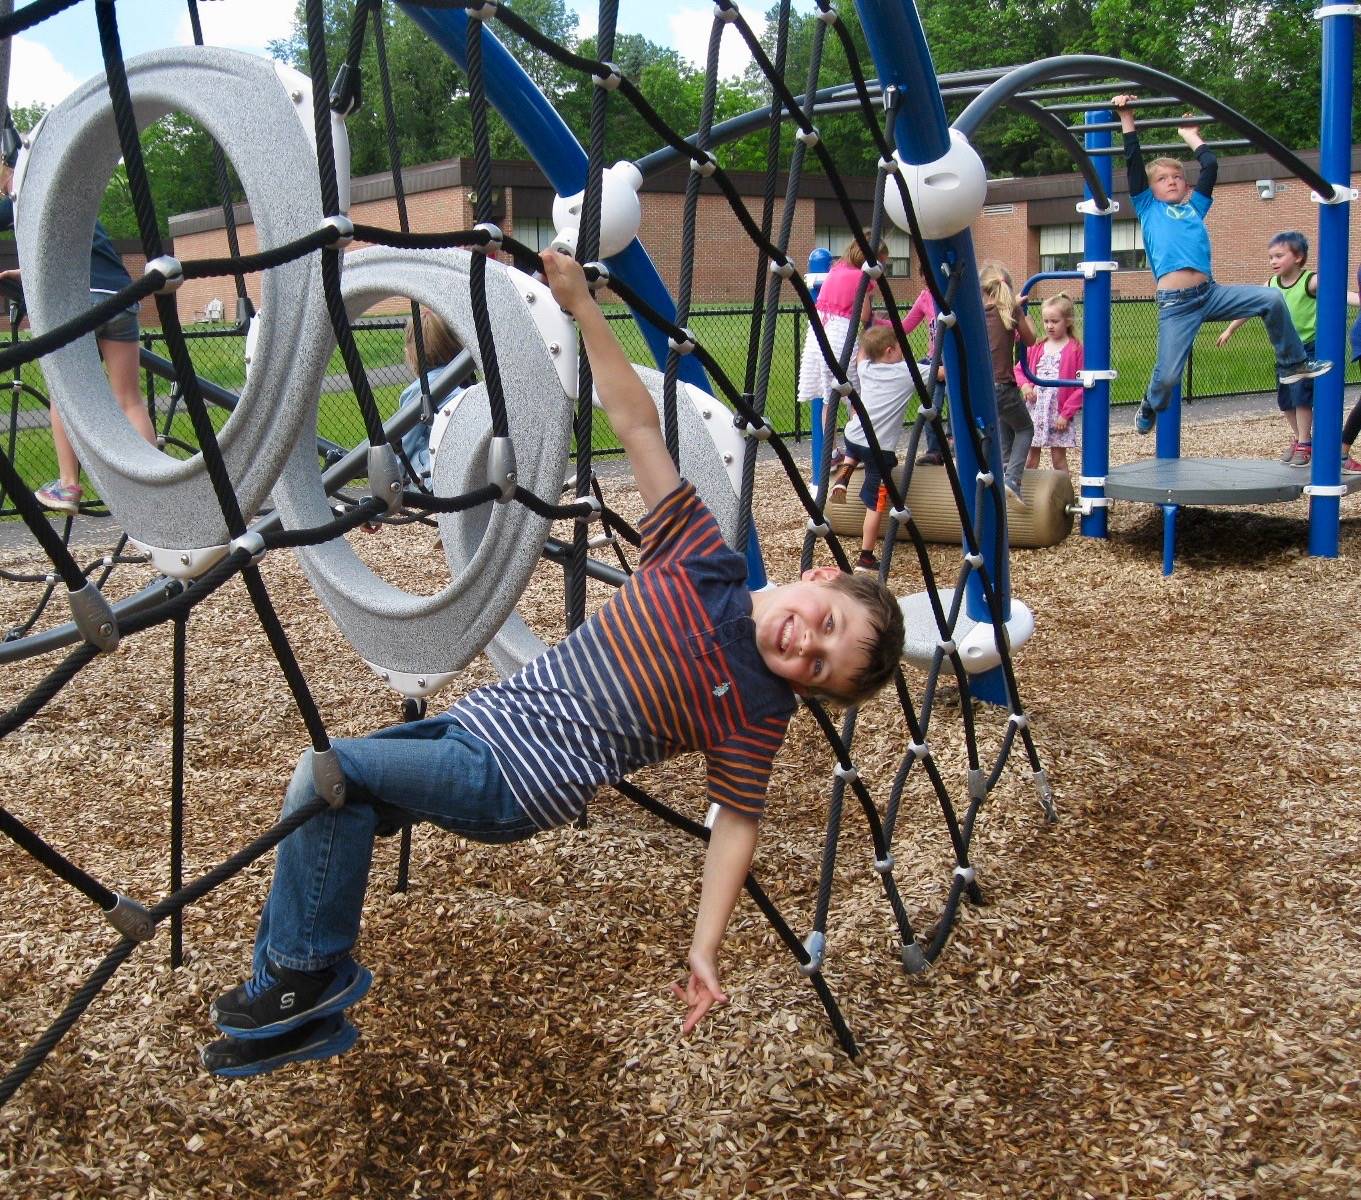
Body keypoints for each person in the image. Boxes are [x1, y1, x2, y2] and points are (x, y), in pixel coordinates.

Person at [199, 250, 906, 1078]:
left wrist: (705, 946)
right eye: (824, 624)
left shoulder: (756, 708)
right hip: (478, 725)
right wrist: (582, 308)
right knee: (339, 804)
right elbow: (639, 424)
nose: (805, 646)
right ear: (818, 577)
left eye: (819, 667)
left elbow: (736, 826)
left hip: (514, 780)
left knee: (327, 773)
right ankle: (298, 1008)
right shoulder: (700, 558)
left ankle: (302, 977)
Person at [1112, 95, 1331, 437]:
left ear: (1185, 185)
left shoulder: (1195, 207)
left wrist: (1191, 136)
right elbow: (1134, 163)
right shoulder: (1147, 208)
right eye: (1163, 178)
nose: (1171, 181)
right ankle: (1150, 401)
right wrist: (1127, 119)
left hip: (1210, 293)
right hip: (1177, 306)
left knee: (1271, 299)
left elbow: (1211, 166)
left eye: (1177, 177)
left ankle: (1293, 364)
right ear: (1150, 189)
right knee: (1169, 376)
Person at [0, 156, 157, 516]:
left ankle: (68, 485)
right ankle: (152, 482)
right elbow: (75, 250)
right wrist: (28, 271)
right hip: (120, 295)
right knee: (128, 398)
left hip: (76, 299)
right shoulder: (68, 198)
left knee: (65, 392)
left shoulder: (22, 199)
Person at [1216, 232, 1319, 467]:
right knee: (1285, 400)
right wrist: (1231, 329)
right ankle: (1299, 438)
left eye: (1279, 256)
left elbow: (1338, 294)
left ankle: (1304, 441)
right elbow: (1250, 307)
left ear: (1298, 257)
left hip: (1307, 348)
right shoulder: (1271, 285)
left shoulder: (1310, 281)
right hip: (1283, 351)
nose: (1273, 261)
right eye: (1271, 257)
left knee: (1301, 396)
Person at [827, 325, 914, 572]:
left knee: (855, 448)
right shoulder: (908, 373)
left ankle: (843, 476)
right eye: (900, 348)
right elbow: (941, 373)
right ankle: (866, 556)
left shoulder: (865, 369)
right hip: (879, 450)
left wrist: (869, 333)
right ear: (889, 351)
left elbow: (861, 356)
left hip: (854, 436)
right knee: (875, 503)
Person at [797, 238, 888, 413]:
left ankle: (828, 441)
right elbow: (864, 315)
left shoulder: (837, 269)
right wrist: (871, 296)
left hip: (817, 335)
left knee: (829, 400)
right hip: (839, 337)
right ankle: (856, 438)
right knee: (855, 396)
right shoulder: (862, 277)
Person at [978, 261, 1036, 506]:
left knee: (1003, 424)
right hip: (1003, 386)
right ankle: (1013, 479)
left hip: (980, 388)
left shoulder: (976, 312)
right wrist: (1021, 310)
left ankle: (1002, 472)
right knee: (1024, 429)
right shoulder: (1012, 310)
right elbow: (1031, 339)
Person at [395, 307, 463, 490]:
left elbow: (401, 445)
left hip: (435, 478)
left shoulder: (420, 391)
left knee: (410, 444)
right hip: (468, 470)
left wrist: (387, 481)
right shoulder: (467, 385)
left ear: (411, 352)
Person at [1016, 293, 1084, 473]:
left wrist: (1066, 413)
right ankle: (1025, 492)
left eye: (1055, 321)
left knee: (1058, 458)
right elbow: (1019, 369)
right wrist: (1025, 385)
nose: (1049, 326)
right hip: (1036, 408)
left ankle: (1065, 494)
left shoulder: (1075, 348)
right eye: (1046, 321)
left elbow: (1080, 386)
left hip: (1058, 411)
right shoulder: (1038, 346)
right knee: (1031, 457)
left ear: (1068, 321)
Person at [900, 286, 951, 466]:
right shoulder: (925, 297)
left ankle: (953, 440)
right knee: (931, 406)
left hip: (955, 361)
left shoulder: (957, 293)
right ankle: (935, 452)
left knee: (957, 403)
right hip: (934, 362)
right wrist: (877, 323)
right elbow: (905, 326)